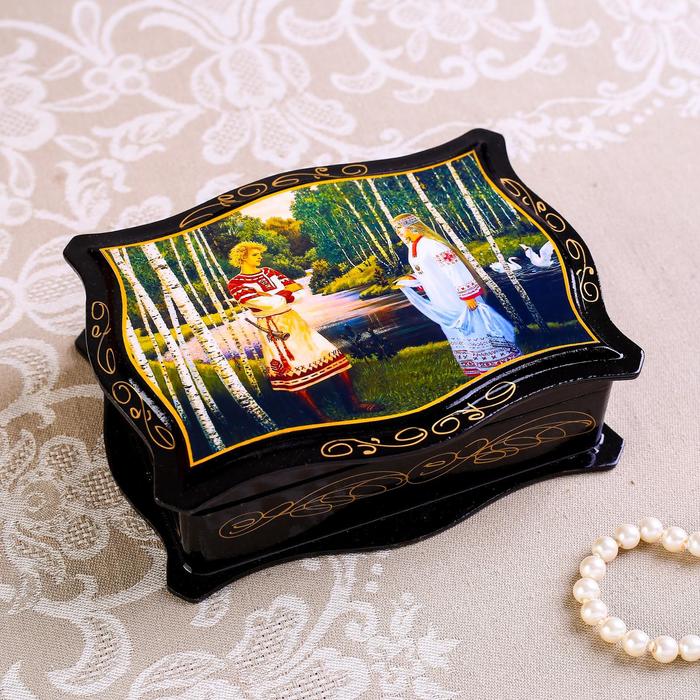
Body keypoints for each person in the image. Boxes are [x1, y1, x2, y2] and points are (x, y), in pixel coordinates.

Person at [227, 241, 379, 420]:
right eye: (255, 254)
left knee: (331, 356)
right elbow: (263, 304)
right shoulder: (236, 283)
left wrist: (274, 295)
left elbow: (299, 293)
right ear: (242, 257)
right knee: (291, 371)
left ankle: (353, 404)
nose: (260, 257)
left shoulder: (269, 272)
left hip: (294, 321)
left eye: (259, 254)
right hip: (272, 328)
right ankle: (321, 419)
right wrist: (282, 293)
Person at [392, 213, 521, 376]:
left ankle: (500, 365)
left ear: (411, 226)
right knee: (459, 333)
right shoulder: (413, 248)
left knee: (476, 328)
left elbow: (455, 269)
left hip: (459, 297)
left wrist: (468, 296)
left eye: (400, 227)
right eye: (395, 229)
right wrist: (410, 279)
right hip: (442, 299)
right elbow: (427, 273)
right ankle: (479, 368)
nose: (398, 232)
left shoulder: (433, 245)